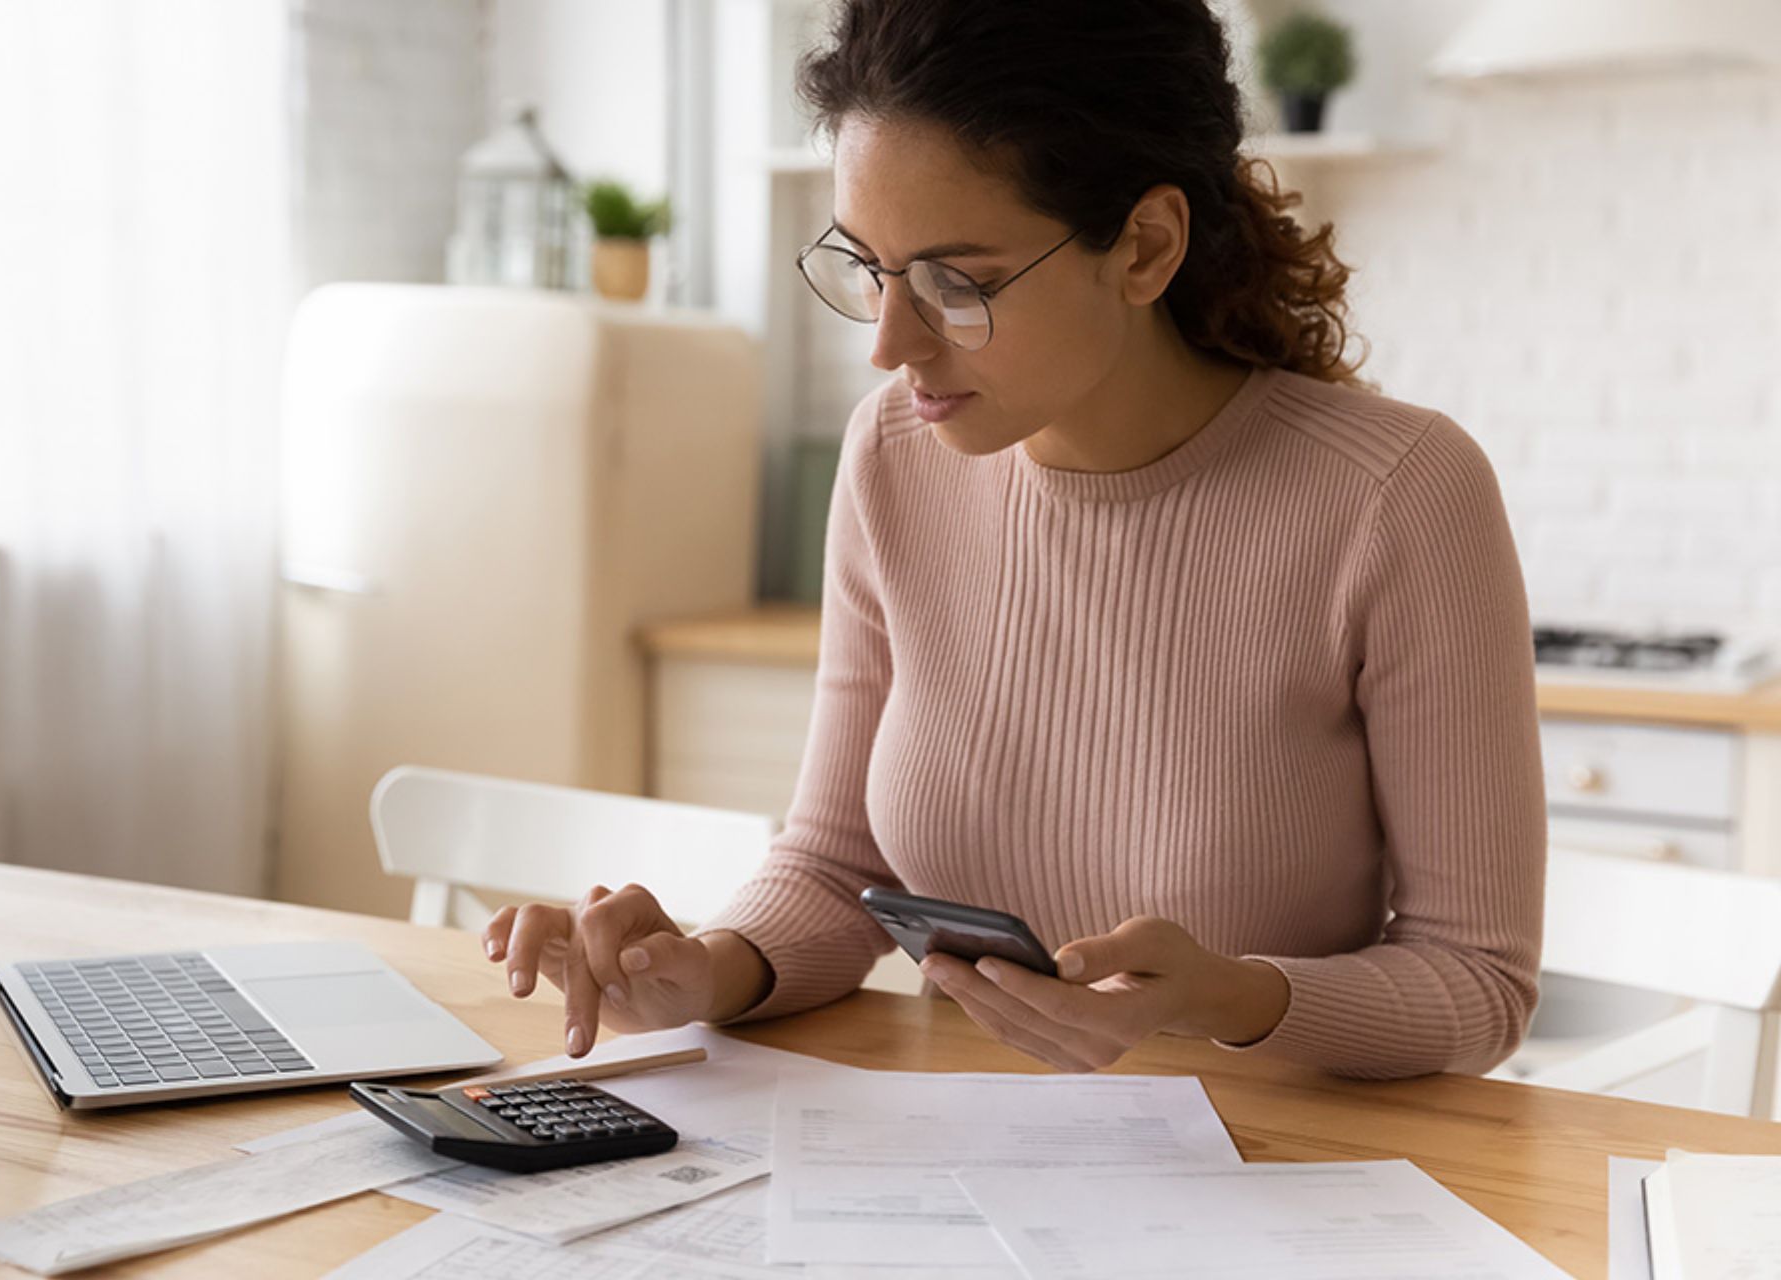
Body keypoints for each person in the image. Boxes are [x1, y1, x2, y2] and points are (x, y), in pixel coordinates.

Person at [482, 0, 1546, 1080]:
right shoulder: (892, 456)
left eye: (959, 282)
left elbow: (1477, 982)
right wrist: (704, 967)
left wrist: (1229, 994)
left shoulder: (1396, 495)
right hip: (961, 1167)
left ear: (1144, 246)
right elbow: (835, 863)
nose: (891, 346)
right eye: (869, 268)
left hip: (1278, 1179)